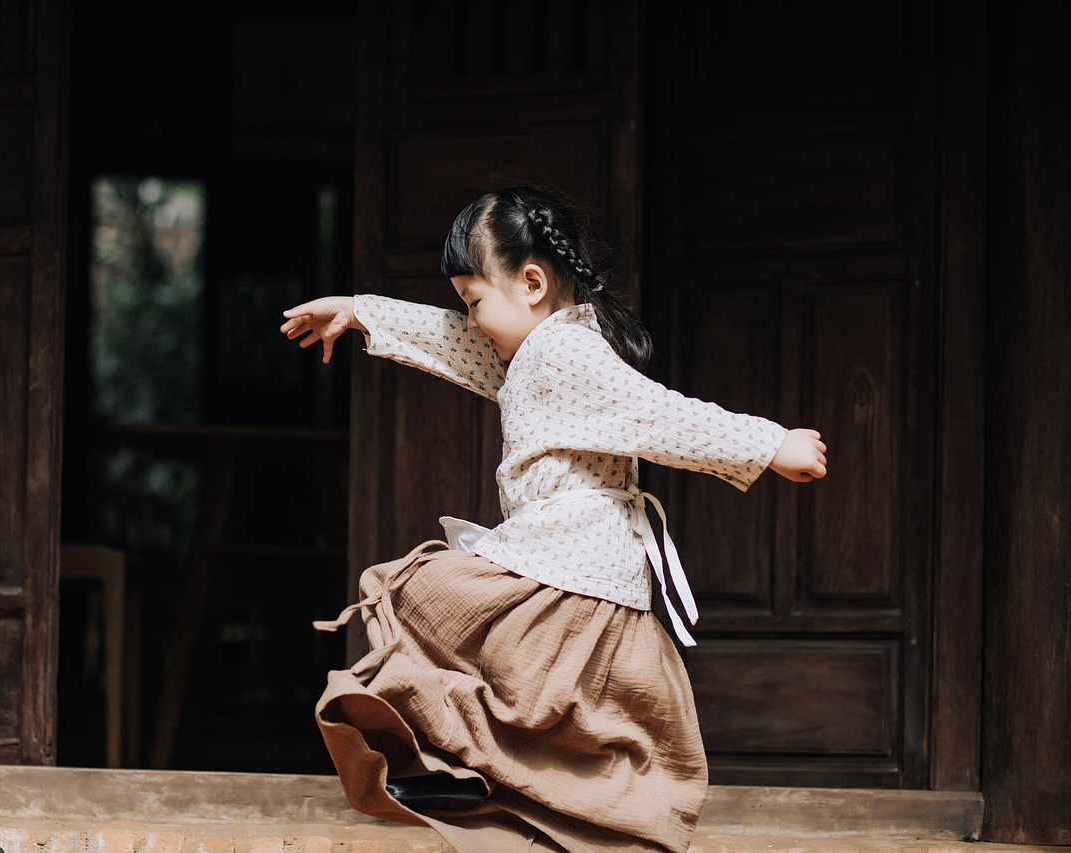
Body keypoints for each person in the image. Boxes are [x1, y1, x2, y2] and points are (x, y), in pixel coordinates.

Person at [279, 185, 827, 853]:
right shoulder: (540, 351)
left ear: (532, 282)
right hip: (570, 575)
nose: (471, 318)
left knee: (420, 597)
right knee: (543, 700)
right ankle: (481, 779)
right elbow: (457, 343)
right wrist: (363, 312)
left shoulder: (564, 356)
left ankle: (475, 774)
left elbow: (662, 416)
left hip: (571, 581)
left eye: (475, 300)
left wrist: (769, 445)